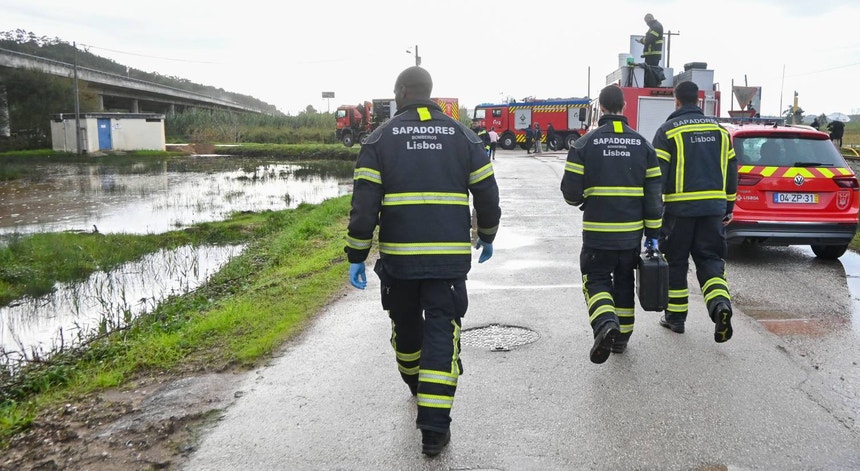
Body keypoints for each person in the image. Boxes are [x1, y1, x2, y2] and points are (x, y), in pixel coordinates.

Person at [345, 66, 501, 457]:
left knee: (406, 330)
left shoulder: (379, 139)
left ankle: (418, 389)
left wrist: (357, 256)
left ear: (400, 92)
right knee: (441, 335)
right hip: (447, 262)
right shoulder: (463, 136)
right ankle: (433, 428)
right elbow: (487, 193)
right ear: (429, 92)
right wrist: (487, 235)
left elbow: (363, 208)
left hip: (399, 262)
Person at [560, 84, 663, 362]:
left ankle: (606, 324)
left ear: (601, 109)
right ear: (624, 107)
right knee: (624, 282)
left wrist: (584, 198)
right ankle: (621, 341)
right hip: (631, 237)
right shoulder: (644, 146)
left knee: (596, 279)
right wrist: (653, 236)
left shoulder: (583, 145)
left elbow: (570, 194)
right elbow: (654, 199)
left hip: (597, 235)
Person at [651, 80, 738, 343]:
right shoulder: (721, 132)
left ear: (676, 101)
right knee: (710, 261)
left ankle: (676, 319)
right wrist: (728, 206)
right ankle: (720, 305)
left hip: (678, 212)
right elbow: (732, 172)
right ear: (698, 101)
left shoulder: (667, 132)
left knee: (676, 264)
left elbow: (657, 178)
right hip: (713, 211)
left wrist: (654, 216)